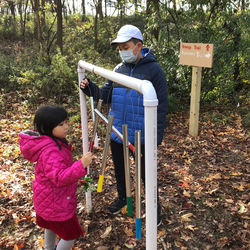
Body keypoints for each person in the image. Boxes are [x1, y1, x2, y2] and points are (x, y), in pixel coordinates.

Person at [80, 24, 168, 226]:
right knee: (120, 168)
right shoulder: (118, 69)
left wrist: (157, 135)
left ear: (139, 46)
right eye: (119, 48)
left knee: (146, 173)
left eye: (125, 47)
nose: (122, 52)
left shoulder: (154, 71)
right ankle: (122, 198)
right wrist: (91, 89)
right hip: (118, 130)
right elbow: (106, 94)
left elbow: (161, 105)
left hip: (142, 133)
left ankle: (155, 207)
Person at [19, 105, 94, 250]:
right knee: (70, 234)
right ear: (47, 127)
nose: (66, 126)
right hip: (56, 203)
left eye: (66, 121)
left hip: (48, 201)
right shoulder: (51, 150)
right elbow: (59, 178)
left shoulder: (50, 142)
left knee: (51, 225)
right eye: (61, 124)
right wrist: (81, 165)